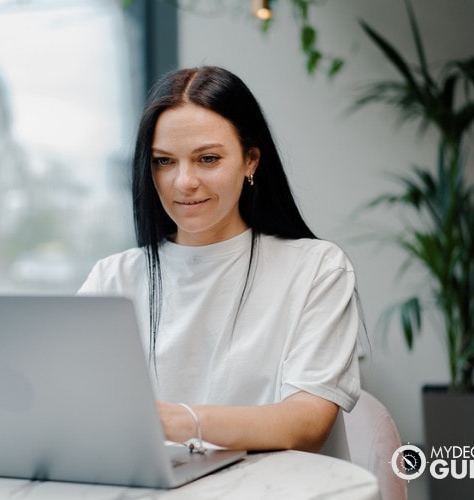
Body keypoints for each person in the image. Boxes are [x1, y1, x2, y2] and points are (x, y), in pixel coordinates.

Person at [78, 66, 360, 458]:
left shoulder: (317, 269)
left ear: (251, 161)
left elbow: (308, 423)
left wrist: (184, 423)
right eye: (164, 162)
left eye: (207, 159)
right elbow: (74, 410)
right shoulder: (113, 278)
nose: (183, 182)